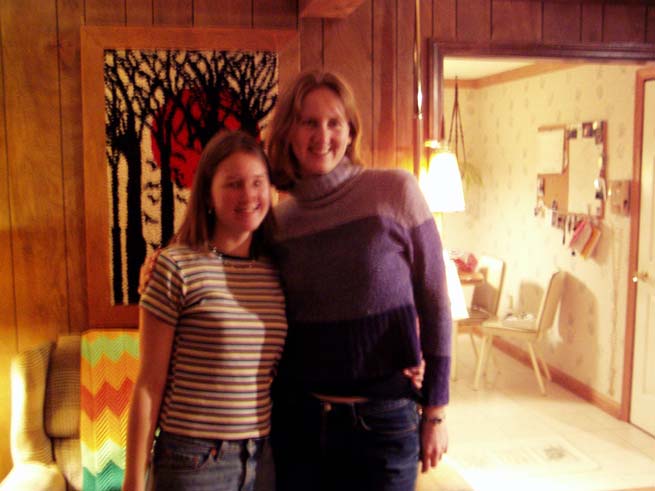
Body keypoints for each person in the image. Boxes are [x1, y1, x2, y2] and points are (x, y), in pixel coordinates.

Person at [266, 70, 452, 491]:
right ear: (290, 132)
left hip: (384, 425)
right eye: (308, 122)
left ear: (351, 131)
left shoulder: (395, 191)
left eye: (334, 122)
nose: (322, 135)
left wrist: (436, 411)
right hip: (301, 423)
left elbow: (436, 302)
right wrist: (162, 265)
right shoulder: (279, 222)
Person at [122, 130, 288, 491]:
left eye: (258, 182)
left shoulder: (277, 271)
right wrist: (133, 481)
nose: (249, 195)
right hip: (193, 461)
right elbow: (149, 385)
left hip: (261, 460)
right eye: (234, 184)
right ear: (209, 195)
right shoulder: (175, 266)